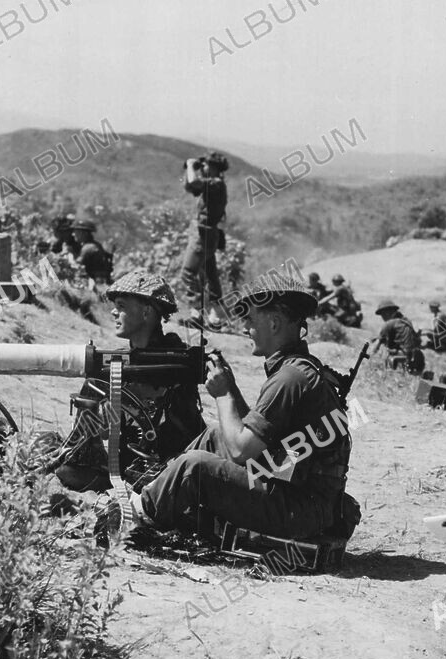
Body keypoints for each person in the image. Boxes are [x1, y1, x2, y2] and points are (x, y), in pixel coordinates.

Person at [130, 277, 358, 542]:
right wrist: (233, 388)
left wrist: (224, 395)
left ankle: (137, 514)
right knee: (215, 435)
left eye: (250, 320)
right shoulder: (298, 369)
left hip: (300, 511)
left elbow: (241, 451)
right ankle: (154, 492)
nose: (245, 328)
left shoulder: (290, 379)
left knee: (196, 467)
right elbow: (260, 435)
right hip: (300, 495)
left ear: (273, 324)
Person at [42, 272, 206, 497]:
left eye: (121, 306)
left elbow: (177, 433)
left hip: (163, 468)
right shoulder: (119, 363)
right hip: (129, 461)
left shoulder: (176, 364)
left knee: (65, 472)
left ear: (147, 312)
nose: (113, 311)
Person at [179, 151, 229, 330]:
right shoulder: (214, 184)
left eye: (206, 165)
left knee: (188, 272)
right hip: (208, 234)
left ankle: (195, 314)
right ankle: (216, 316)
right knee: (210, 273)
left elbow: (193, 182)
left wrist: (192, 165)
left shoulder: (215, 184)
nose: (203, 168)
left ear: (213, 166)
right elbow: (190, 187)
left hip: (203, 235)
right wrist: (190, 169)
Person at [375, 299, 425, 374]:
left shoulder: (389, 324)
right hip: (418, 358)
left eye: (382, 314)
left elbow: (376, 345)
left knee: (382, 353)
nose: (382, 317)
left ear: (387, 312)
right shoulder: (406, 321)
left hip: (403, 358)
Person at [70, 220, 113, 290]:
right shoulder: (96, 245)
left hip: (96, 285)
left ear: (83, 233)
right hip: (102, 281)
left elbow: (75, 266)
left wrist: (69, 255)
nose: (73, 234)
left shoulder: (88, 248)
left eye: (76, 232)